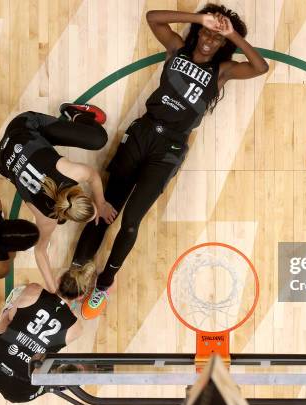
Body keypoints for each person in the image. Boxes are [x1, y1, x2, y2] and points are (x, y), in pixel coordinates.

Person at [72, 4, 269, 319]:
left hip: (169, 150)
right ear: (199, 30)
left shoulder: (223, 71)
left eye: (216, 38)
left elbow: (260, 68)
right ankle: (76, 270)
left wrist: (230, 33)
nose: (208, 40)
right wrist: (199, 19)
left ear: (223, 45)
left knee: (131, 220)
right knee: (106, 206)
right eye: (206, 32)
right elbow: (152, 18)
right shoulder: (177, 48)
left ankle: (104, 282)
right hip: (143, 133)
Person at [0, 104, 118, 292]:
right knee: (99, 138)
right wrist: (54, 292)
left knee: (98, 138)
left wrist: (100, 203)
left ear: (80, 194)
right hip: (11, 147)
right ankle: (75, 115)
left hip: (15, 142)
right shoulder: (47, 218)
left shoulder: (70, 173)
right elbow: (39, 252)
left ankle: (74, 116)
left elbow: (93, 176)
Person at [0, 262, 96, 403]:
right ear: (80, 297)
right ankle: (60, 383)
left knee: (8, 318)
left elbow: (10, 319)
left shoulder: (33, 289)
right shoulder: (76, 328)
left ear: (58, 280)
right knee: (47, 363)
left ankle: (8, 307)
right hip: (20, 392)